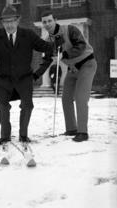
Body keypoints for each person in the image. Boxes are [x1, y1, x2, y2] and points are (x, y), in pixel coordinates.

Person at [0, 5, 53, 145]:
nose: (9, 24)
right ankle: (5, 135)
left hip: (24, 78)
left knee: (27, 105)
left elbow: (44, 47)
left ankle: (23, 135)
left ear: (18, 21)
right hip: (4, 79)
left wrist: (55, 44)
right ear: (2, 22)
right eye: (6, 21)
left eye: (12, 21)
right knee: (1, 105)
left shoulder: (28, 35)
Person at [41, 10, 97, 142]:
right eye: (44, 22)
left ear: (55, 20)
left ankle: (83, 132)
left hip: (87, 64)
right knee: (66, 98)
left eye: (50, 20)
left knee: (80, 97)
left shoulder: (70, 29)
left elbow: (81, 46)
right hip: (72, 69)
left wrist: (64, 55)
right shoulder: (47, 41)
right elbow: (46, 60)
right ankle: (72, 129)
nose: (47, 24)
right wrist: (35, 74)